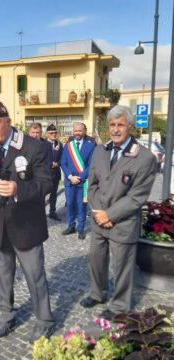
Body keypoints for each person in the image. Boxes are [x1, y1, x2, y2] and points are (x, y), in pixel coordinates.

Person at [0, 100, 55, 343]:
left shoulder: (32, 147)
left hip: (26, 224)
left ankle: (44, 320)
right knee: (3, 275)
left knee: (35, 274)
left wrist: (18, 187)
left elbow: (47, 183)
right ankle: (6, 316)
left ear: (8, 122)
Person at [80, 105, 157, 320]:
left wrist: (109, 215)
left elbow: (137, 196)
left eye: (120, 125)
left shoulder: (145, 158)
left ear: (130, 127)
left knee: (122, 265)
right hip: (98, 219)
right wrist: (97, 211)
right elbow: (92, 184)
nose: (115, 129)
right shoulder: (100, 151)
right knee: (96, 258)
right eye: (112, 125)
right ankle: (97, 292)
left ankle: (120, 306)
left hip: (122, 223)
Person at [60, 122, 95, 239]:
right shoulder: (68, 146)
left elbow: (91, 165)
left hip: (83, 182)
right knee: (70, 205)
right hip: (69, 181)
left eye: (80, 131)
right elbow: (63, 163)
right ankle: (71, 226)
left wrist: (80, 177)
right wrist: (70, 176)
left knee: (81, 206)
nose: (77, 133)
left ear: (84, 131)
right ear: (73, 131)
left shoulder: (90, 146)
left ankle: (81, 228)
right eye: (75, 130)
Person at [46, 124, 63, 220]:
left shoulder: (59, 144)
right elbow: (41, 158)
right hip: (45, 174)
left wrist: (58, 164)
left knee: (54, 194)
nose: (53, 134)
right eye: (51, 133)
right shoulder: (43, 144)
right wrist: (49, 164)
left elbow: (63, 158)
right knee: (42, 194)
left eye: (55, 133)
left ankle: (52, 212)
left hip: (56, 174)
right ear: (47, 134)